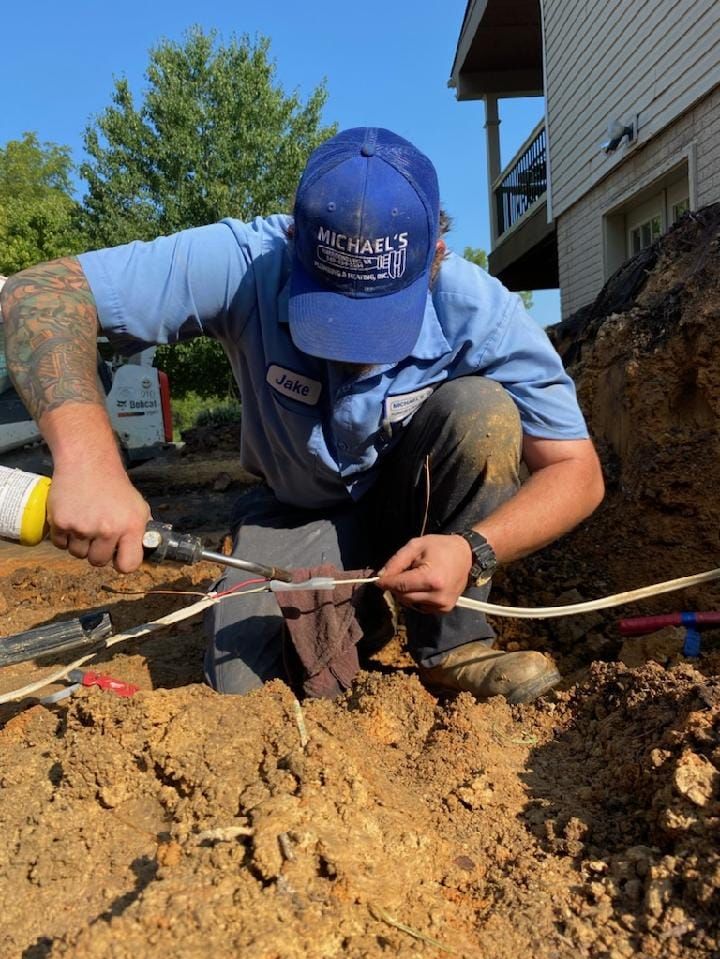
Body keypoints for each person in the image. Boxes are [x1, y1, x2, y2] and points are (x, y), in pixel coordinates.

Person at [0, 126, 604, 704]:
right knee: (246, 683)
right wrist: (89, 463)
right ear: (294, 241)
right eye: (332, 311)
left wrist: (474, 549)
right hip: (296, 510)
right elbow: (39, 294)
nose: (351, 348)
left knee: (480, 411)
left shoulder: (481, 310)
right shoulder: (246, 260)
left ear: (436, 257)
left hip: (418, 511)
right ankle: (357, 604)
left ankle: (454, 647)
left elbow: (576, 472)